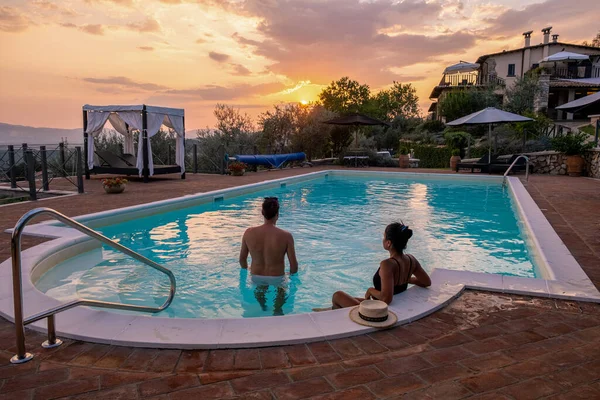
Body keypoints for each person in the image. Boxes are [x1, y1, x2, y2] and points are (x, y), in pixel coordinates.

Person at [331, 222, 431, 309]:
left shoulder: (387, 264)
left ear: (388, 243)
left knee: (337, 296)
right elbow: (426, 282)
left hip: (380, 310)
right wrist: (407, 279)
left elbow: (386, 299)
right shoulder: (411, 259)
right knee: (350, 300)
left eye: (384, 237)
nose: (383, 239)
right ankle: (332, 310)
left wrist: (371, 290)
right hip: (385, 304)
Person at [239, 197, 298, 277]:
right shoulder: (286, 236)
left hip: (256, 276)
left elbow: (242, 260)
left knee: (259, 289)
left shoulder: (249, 233)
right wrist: (289, 275)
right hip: (277, 278)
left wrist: (247, 268)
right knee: (280, 288)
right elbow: (294, 266)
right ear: (277, 214)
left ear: (262, 212)